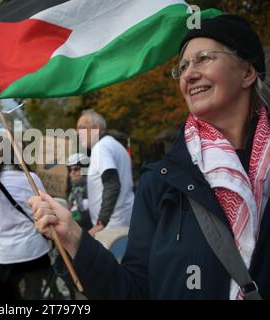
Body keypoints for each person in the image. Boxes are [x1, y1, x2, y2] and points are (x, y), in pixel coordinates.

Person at [29, 15, 270, 299]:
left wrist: (102, 221)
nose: (188, 74)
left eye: (204, 58)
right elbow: (134, 291)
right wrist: (73, 237)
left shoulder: (104, 147)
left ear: (247, 73)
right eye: (182, 67)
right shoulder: (158, 182)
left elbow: (111, 183)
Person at [0, 150, 50, 299]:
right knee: (34, 294)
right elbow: (46, 207)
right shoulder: (32, 179)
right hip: (34, 249)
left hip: (6, 254)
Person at [76, 109, 135, 236]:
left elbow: (112, 184)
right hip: (120, 222)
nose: (77, 132)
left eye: (82, 127)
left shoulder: (101, 147)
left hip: (112, 227)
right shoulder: (113, 145)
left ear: (96, 128)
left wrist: (101, 222)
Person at [66, 153, 92, 231]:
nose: (72, 173)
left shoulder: (91, 190)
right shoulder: (73, 191)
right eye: (70, 170)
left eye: (76, 169)